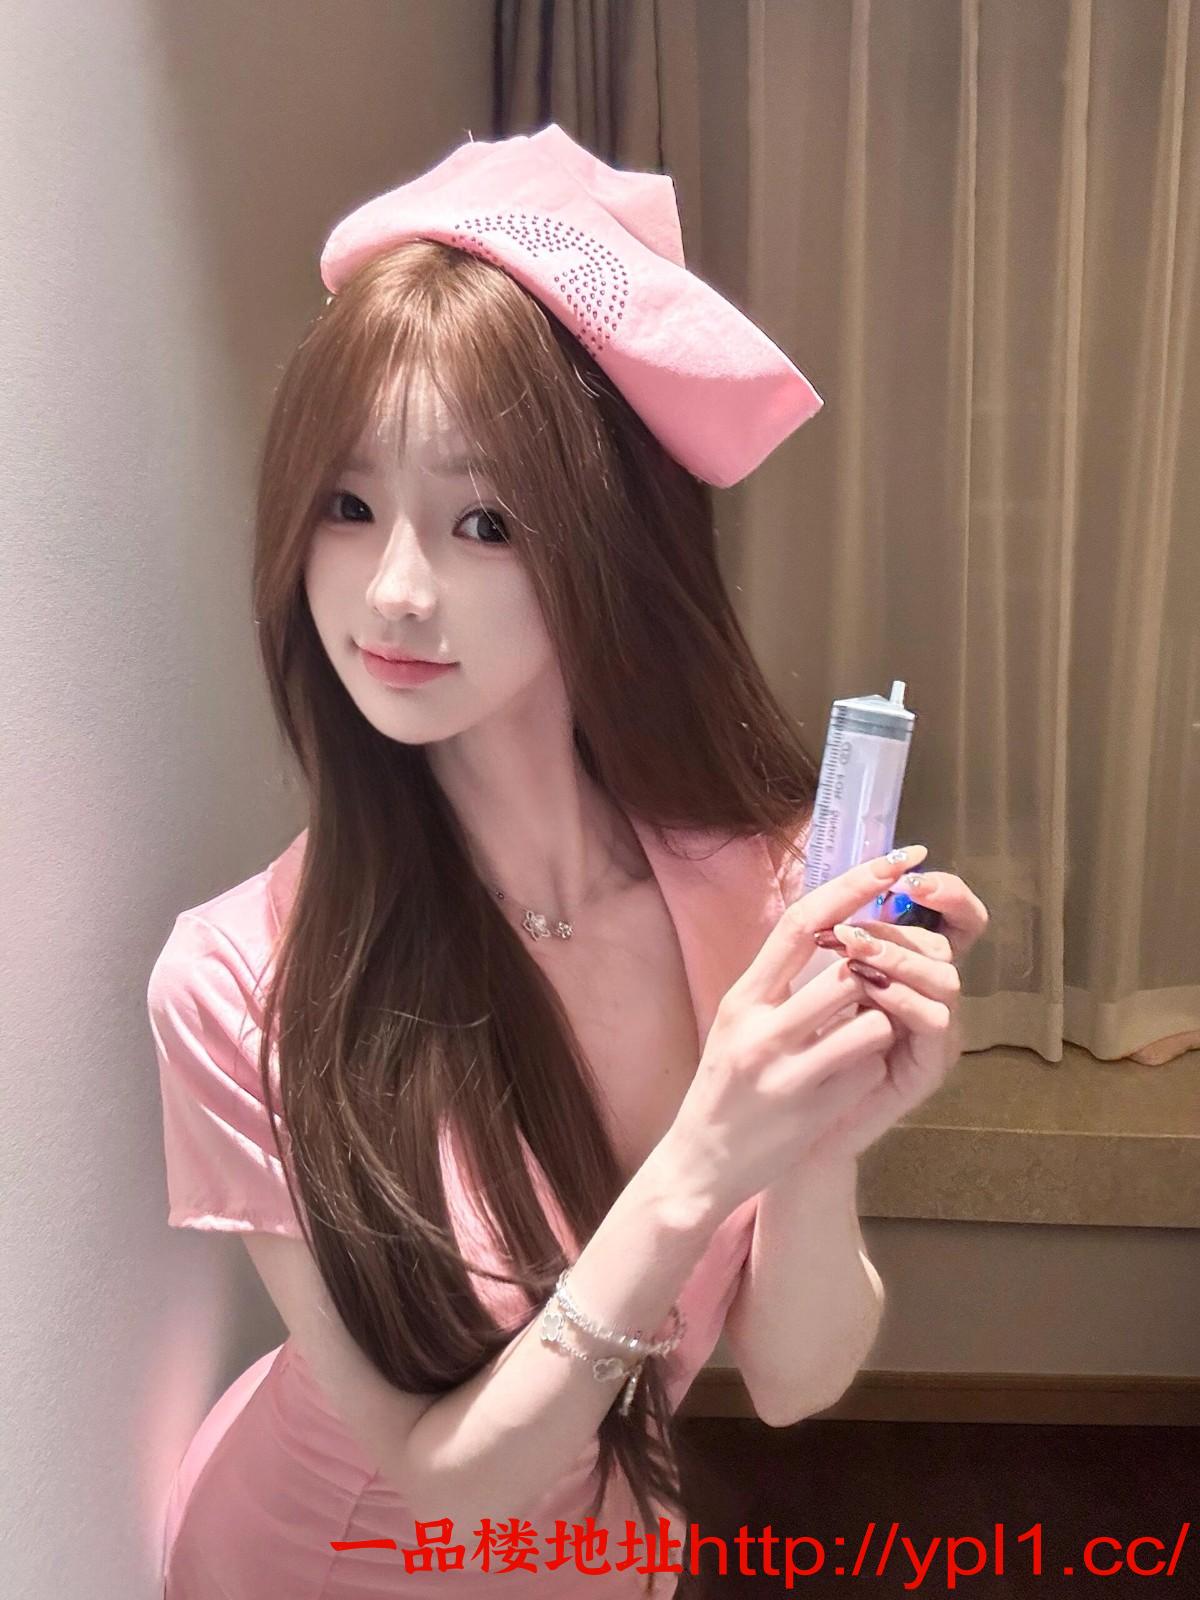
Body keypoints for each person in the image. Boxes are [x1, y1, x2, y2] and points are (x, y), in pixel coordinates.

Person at [147, 124, 985, 1598]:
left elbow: (795, 1381)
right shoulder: (234, 980)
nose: (394, 590)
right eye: (347, 505)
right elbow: (441, 1474)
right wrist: (711, 1149)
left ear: (605, 545)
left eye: (484, 521)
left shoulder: (756, 888)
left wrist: (819, 1139)